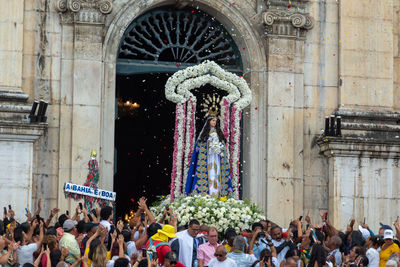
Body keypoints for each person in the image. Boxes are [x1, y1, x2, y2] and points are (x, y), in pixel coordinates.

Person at [185, 116, 233, 197]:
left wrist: (218, 147)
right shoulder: (204, 134)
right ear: (208, 121)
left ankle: (218, 193)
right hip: (208, 159)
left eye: (215, 121)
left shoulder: (219, 133)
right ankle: (207, 194)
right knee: (210, 173)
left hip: (217, 159)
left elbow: (223, 146)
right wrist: (209, 145)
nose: (214, 122)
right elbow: (200, 147)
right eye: (213, 120)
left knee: (216, 173)